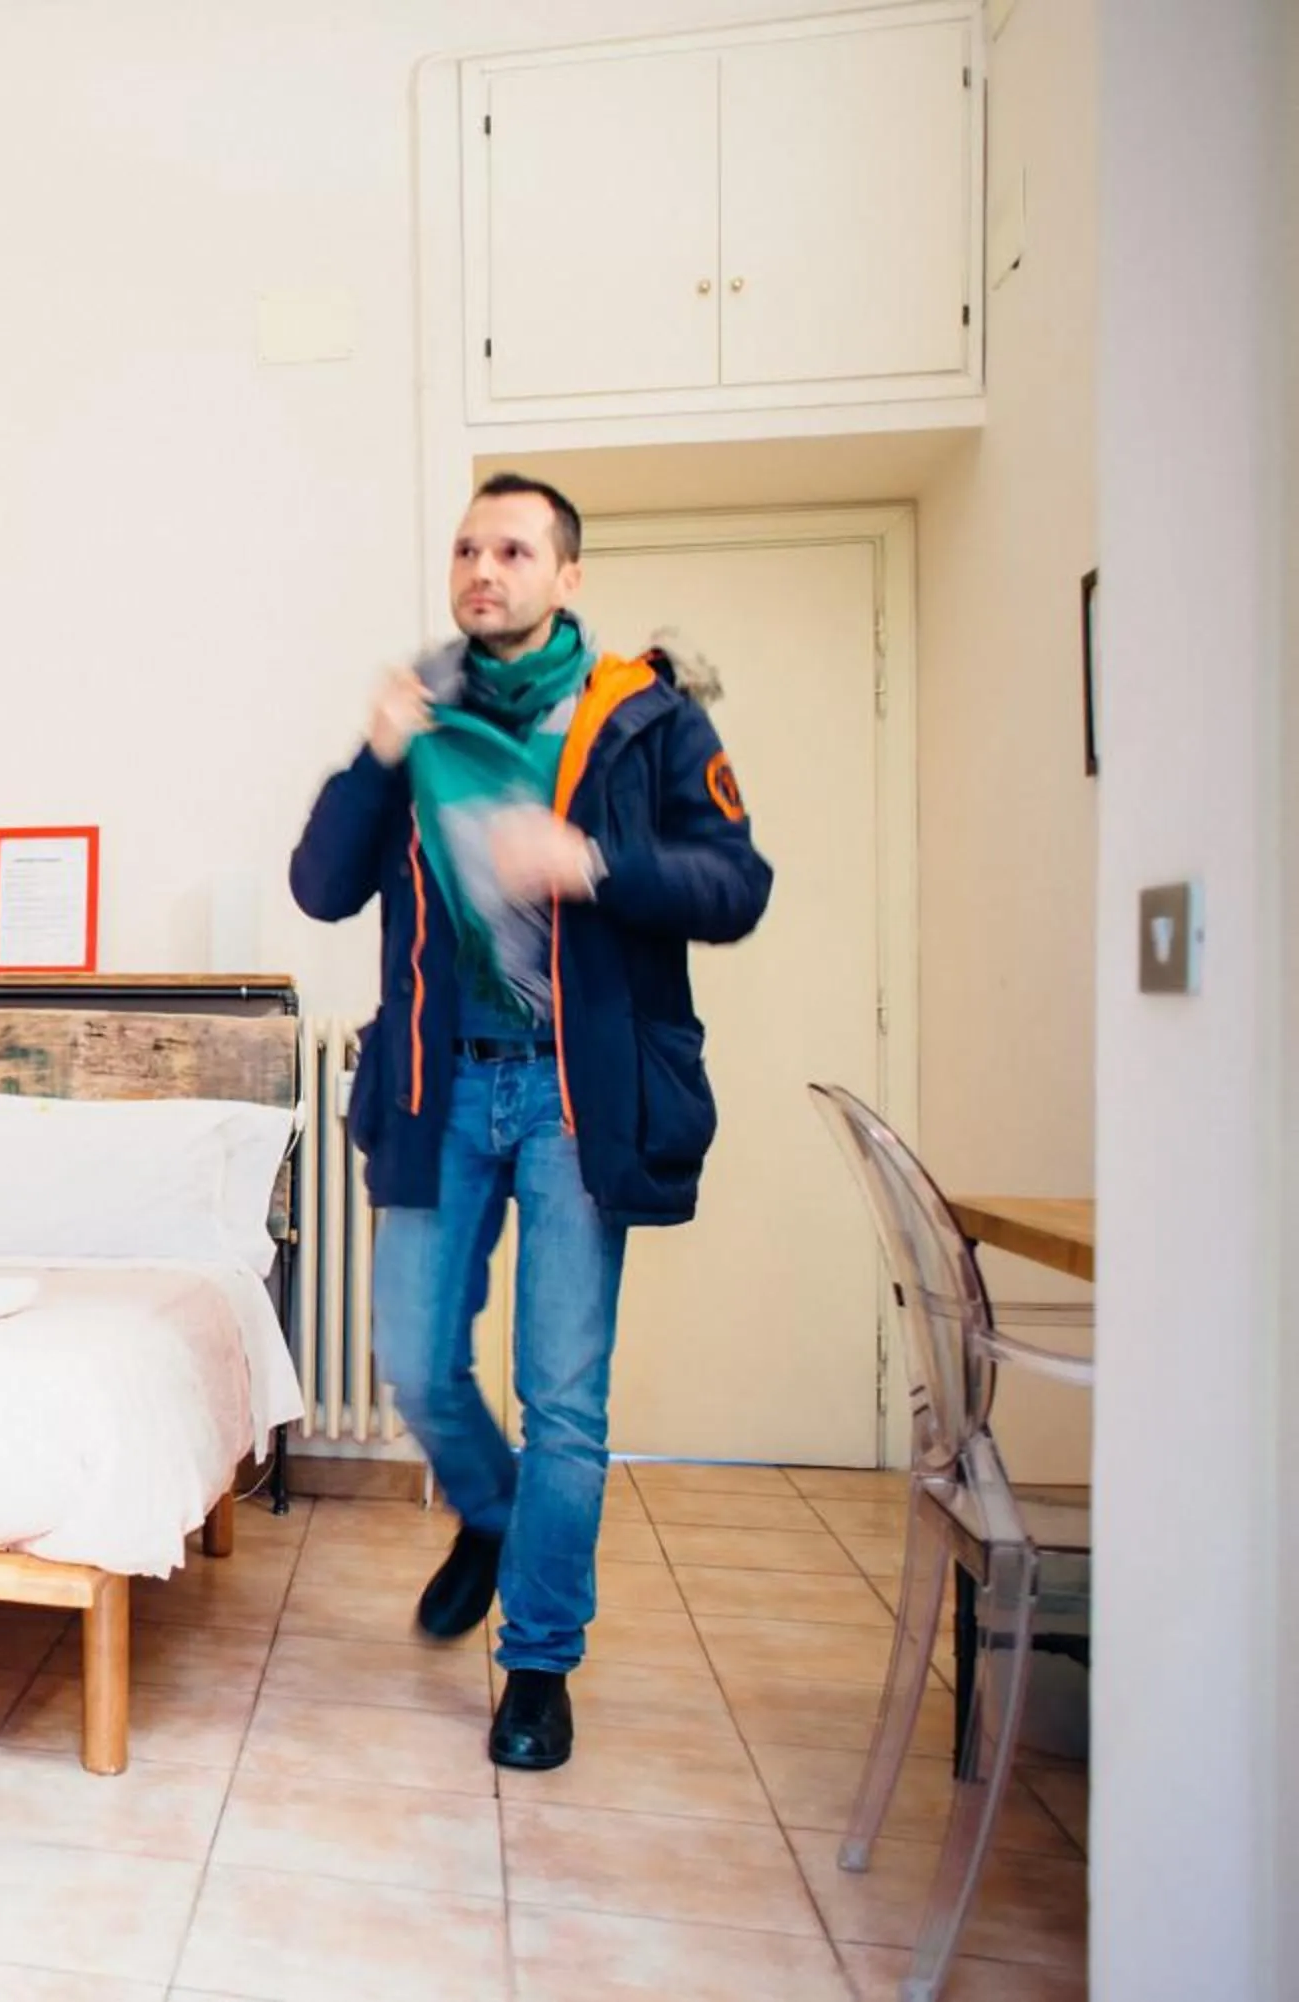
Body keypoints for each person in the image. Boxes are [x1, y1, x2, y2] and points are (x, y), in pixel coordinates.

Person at [287, 472, 773, 1771]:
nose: (482, 567)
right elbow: (321, 886)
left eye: (513, 548)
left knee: (564, 1393)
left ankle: (538, 1663)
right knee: (412, 1359)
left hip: (574, 1095)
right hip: (439, 1087)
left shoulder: (645, 718)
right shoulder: (422, 718)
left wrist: (595, 865)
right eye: (465, 547)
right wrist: (372, 751)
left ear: (566, 577)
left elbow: (739, 884)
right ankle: (491, 1515)